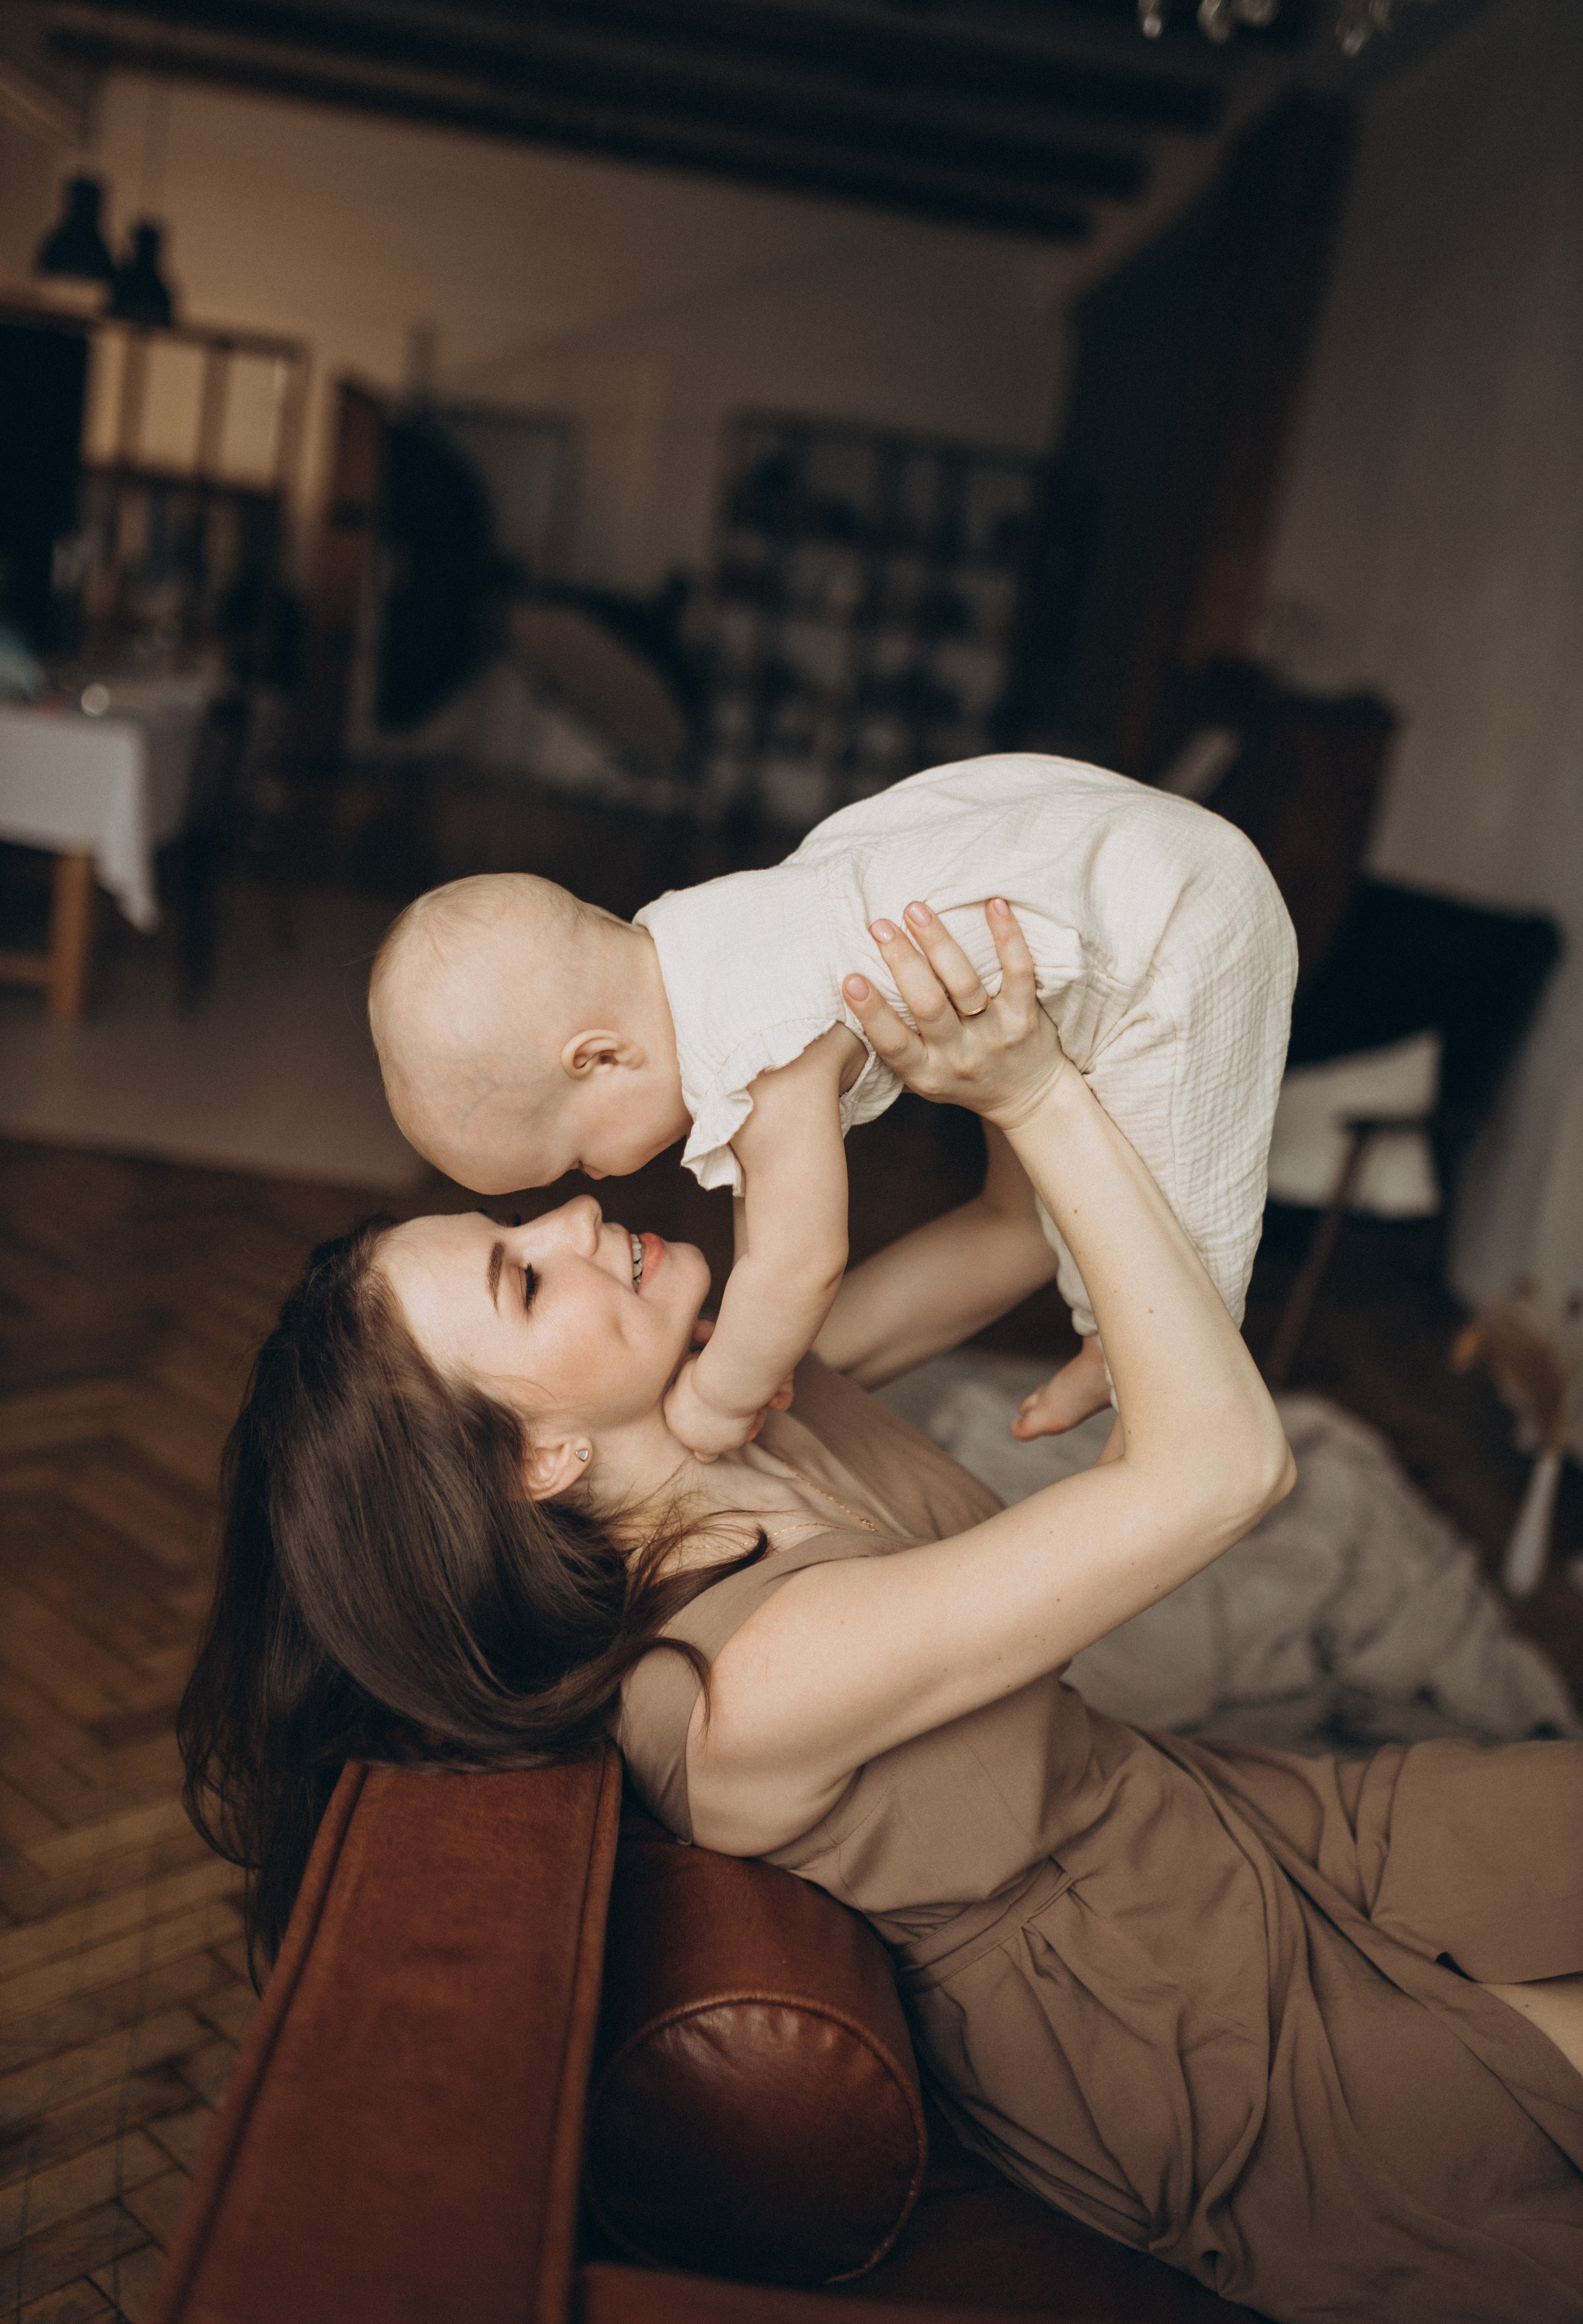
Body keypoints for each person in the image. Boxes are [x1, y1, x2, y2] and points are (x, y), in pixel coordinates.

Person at [185, 905, 1582, 2324]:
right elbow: (1225, 1467)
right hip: (1193, 2025)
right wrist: (1030, 1092)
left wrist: (915, 997)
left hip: (1252, 1817)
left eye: (513, 1218)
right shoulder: (748, 1686)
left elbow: (999, 1237)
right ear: (531, 1461)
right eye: (524, 1276)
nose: (569, 1213)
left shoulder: (735, 1392)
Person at [367, 753, 1295, 1460]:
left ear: (602, 1057)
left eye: (576, 1160)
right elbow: (767, 1235)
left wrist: (718, 1401)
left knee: (1182, 1231)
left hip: (1172, 923)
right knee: (1105, 1204)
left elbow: (799, 1261)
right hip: (1098, 853)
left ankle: (1132, 1377)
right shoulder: (698, 939)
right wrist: (748, 1345)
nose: (601, 1185)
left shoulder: (754, 1050)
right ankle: (1118, 1345)